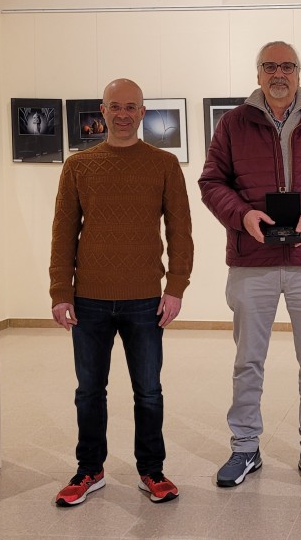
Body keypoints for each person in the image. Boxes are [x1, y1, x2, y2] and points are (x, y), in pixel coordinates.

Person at [199, 41, 301, 489]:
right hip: (253, 261)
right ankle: (245, 446)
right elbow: (212, 182)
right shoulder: (233, 123)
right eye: (269, 66)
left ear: (299, 73)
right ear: (258, 74)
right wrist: (242, 216)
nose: (279, 74)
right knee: (248, 361)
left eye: (287, 66)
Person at [49, 78, 194, 507]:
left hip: (145, 299)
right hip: (89, 299)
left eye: (131, 107)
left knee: (148, 391)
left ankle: (151, 471)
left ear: (143, 112)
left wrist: (176, 287)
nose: (124, 114)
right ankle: (89, 470)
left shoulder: (164, 164)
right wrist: (60, 290)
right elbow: (63, 234)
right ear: (103, 110)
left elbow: (180, 231)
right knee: (89, 392)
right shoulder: (78, 166)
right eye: (116, 106)